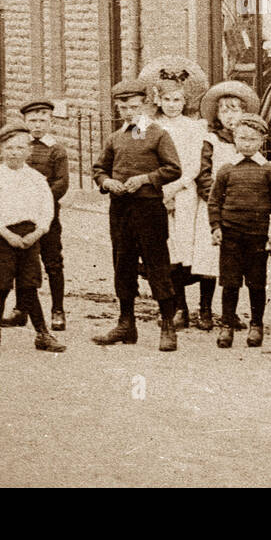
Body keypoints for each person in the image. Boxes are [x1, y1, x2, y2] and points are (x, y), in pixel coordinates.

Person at [91, 79, 183, 351]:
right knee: (123, 265)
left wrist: (145, 179)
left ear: (144, 104)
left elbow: (173, 169)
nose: (128, 112)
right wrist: (107, 182)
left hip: (149, 209)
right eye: (123, 107)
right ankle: (125, 324)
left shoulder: (157, 134)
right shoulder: (115, 137)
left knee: (157, 265)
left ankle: (167, 325)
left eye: (133, 106)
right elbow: (99, 168)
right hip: (120, 209)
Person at [0, 122, 64, 356]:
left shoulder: (36, 179)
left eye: (19, 148)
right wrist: (7, 234)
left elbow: (46, 210)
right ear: (1, 151)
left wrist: (37, 233)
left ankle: (42, 333)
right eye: (9, 148)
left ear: (28, 151)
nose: (14, 152)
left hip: (30, 237)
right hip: (3, 238)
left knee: (29, 287)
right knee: (0, 286)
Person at [209, 113, 271, 348]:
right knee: (230, 283)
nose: (246, 144)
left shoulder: (270, 170)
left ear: (262, 140)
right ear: (234, 139)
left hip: (257, 236)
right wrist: (215, 227)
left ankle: (256, 325)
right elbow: (214, 201)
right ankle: (227, 326)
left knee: (256, 283)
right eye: (242, 138)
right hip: (230, 235)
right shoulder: (226, 170)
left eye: (252, 140)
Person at [194, 80, 261, 331]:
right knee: (210, 261)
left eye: (235, 110)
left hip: (240, 211)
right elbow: (203, 173)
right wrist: (215, 202)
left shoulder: (247, 141)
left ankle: (228, 313)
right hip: (214, 209)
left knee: (234, 264)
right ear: (217, 115)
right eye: (225, 110)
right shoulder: (212, 139)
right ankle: (204, 310)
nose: (230, 116)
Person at [0, 100, 70, 331]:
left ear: (51, 122)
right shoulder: (20, 146)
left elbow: (61, 183)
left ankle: (57, 310)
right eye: (32, 121)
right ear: (25, 122)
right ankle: (21, 309)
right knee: (22, 261)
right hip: (20, 215)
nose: (37, 125)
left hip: (46, 214)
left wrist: (40, 201)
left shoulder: (56, 149)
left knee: (52, 261)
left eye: (42, 120)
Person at [152, 77, 210, 330]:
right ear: (158, 100)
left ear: (185, 101)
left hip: (187, 191)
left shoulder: (195, 126)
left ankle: (205, 308)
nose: (172, 105)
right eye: (167, 100)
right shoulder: (147, 124)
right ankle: (179, 307)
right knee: (169, 251)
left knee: (196, 249)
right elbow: (134, 149)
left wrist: (177, 186)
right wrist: (161, 189)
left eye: (177, 100)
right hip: (157, 191)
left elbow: (196, 163)